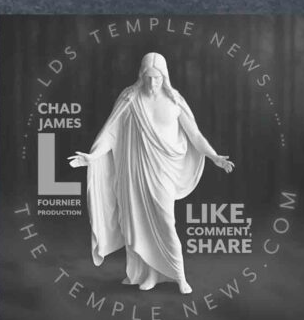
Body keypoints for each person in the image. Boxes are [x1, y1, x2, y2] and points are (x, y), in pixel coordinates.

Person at [69, 52, 232, 297]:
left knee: (166, 222)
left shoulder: (175, 101)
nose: (152, 83)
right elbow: (111, 133)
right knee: (138, 222)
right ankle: (149, 274)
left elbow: (195, 135)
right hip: (135, 172)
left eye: (157, 78)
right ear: (141, 75)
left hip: (163, 172)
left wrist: (215, 156)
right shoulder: (130, 98)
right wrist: (92, 157)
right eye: (148, 77)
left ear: (164, 77)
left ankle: (179, 276)